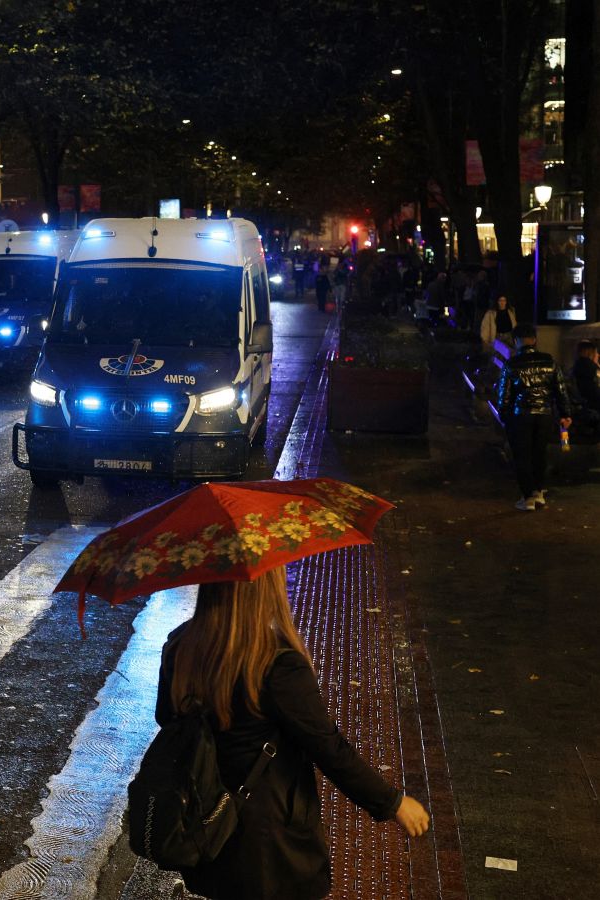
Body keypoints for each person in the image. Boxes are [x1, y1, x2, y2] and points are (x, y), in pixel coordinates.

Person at [156, 568, 430, 900]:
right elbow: (328, 748)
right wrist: (393, 803)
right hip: (270, 838)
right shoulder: (274, 665)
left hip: (206, 818)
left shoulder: (179, 646)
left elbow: (167, 719)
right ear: (266, 588)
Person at [497, 323, 572, 511]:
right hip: (545, 415)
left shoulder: (511, 364)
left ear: (516, 341)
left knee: (522, 455)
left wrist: (504, 417)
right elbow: (560, 389)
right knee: (540, 453)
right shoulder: (549, 361)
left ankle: (527, 497)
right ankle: (539, 492)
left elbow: (503, 396)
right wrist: (565, 414)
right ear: (535, 340)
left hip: (520, 416)